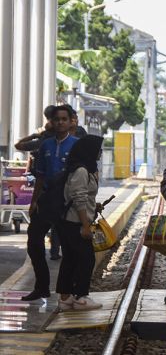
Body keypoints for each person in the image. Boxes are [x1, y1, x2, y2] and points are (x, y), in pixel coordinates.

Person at [22, 105, 79, 301]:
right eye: (57, 119)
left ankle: (67, 290)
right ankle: (42, 287)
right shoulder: (45, 145)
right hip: (46, 200)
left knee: (69, 247)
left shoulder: (77, 144)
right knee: (33, 243)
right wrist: (34, 201)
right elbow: (40, 175)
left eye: (64, 119)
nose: (60, 122)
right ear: (51, 122)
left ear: (70, 121)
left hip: (66, 202)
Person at [56, 135, 104, 311]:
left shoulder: (84, 168)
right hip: (74, 222)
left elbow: (83, 196)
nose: (100, 152)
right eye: (98, 149)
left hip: (69, 221)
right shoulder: (81, 171)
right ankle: (81, 297)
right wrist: (85, 225)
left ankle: (65, 298)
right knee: (86, 259)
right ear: (90, 150)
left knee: (70, 259)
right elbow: (79, 199)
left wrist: (94, 206)